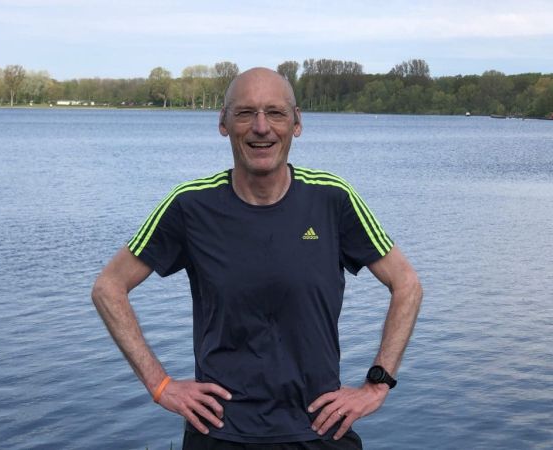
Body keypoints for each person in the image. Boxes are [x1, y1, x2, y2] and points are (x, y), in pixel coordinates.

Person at [92, 67, 423, 449]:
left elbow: (407, 284)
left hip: (320, 430)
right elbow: (108, 287)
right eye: (246, 113)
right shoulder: (191, 205)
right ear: (224, 123)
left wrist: (377, 384)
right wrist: (160, 385)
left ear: (296, 123)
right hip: (220, 433)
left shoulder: (332, 199)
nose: (261, 127)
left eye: (275, 113)